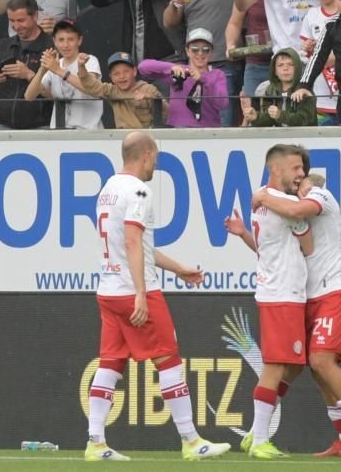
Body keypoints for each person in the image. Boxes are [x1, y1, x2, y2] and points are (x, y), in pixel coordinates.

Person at [86, 131, 230, 461]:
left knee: (110, 363)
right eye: (156, 158)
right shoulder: (139, 190)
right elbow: (133, 243)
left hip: (108, 290)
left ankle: (95, 442)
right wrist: (140, 293)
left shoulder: (108, 189)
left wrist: (178, 268)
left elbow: (139, 245)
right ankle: (191, 441)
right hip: (135, 291)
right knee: (168, 359)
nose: (155, 164)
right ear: (147, 154)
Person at [229, 144, 314, 459]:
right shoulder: (284, 203)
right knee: (276, 365)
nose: (301, 173)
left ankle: (255, 431)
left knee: (293, 365)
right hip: (282, 295)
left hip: (281, 292)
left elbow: (268, 250)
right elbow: (308, 245)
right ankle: (261, 438)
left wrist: (242, 235)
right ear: (275, 170)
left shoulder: (263, 200)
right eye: (295, 168)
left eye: (301, 168)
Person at [0, 0, 54, 129]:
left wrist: (28, 74)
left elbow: (58, 94)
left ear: (35, 16)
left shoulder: (51, 46)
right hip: (1, 124)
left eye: (21, 20)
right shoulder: (3, 45)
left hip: (40, 126)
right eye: (11, 21)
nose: (16, 26)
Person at [137, 28, 228, 128]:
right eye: (195, 49)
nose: (200, 53)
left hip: (210, 131)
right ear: (187, 51)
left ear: (211, 52)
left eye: (205, 49)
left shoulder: (218, 74)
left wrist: (202, 79)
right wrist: (170, 68)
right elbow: (143, 67)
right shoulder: (179, 71)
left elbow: (222, 103)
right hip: (180, 130)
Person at [23, 20, 104, 130]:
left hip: (88, 132)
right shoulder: (55, 65)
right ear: (54, 41)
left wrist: (58, 70)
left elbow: (92, 88)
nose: (65, 45)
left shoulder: (89, 60)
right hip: (59, 132)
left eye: (71, 39)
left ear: (79, 40)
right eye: (61, 40)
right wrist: (42, 69)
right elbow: (29, 96)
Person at [76, 52, 162, 129]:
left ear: (135, 71)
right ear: (111, 78)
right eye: (116, 73)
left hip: (147, 138)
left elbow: (166, 114)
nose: (122, 76)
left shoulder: (148, 89)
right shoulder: (112, 90)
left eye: (126, 71)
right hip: (122, 139)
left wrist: (150, 99)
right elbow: (91, 85)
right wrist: (81, 66)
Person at [244, 48, 317, 128]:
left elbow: (303, 120)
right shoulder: (269, 89)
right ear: (274, 71)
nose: (285, 68)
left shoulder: (304, 90)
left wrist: (280, 115)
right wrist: (256, 117)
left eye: (291, 64)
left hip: (305, 137)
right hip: (280, 138)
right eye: (280, 65)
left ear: (298, 68)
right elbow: (269, 119)